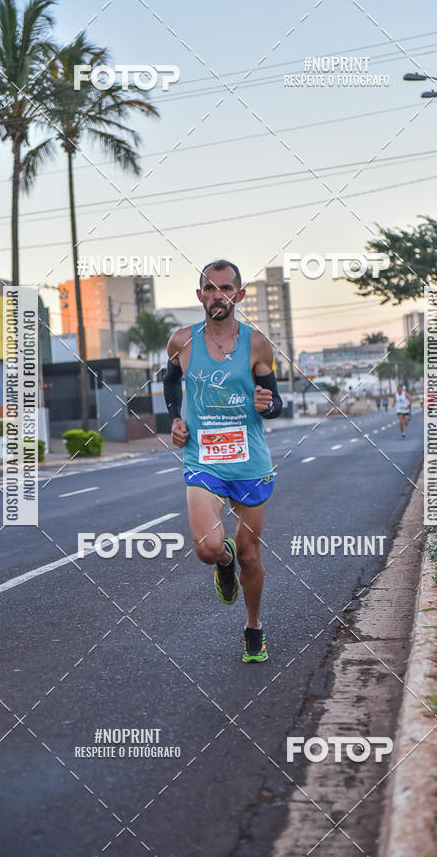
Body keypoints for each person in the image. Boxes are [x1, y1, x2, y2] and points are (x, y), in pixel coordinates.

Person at [163, 259, 283, 663]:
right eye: (211, 289)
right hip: (203, 459)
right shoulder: (182, 341)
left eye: (227, 288)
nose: (219, 295)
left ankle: (253, 627)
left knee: (252, 553)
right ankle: (223, 561)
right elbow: (170, 382)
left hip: (249, 461)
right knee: (206, 547)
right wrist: (176, 420)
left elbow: (274, 400)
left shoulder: (257, 344)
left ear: (239, 295)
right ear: (200, 296)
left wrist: (267, 405)